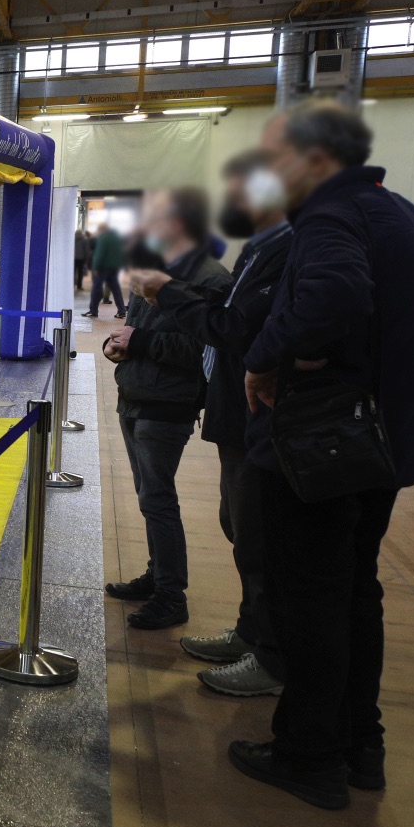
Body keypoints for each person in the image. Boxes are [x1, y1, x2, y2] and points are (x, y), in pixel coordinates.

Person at [231, 99, 414, 810]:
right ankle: (361, 744)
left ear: (314, 157)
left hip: (324, 452)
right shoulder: (405, 215)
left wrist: (265, 358)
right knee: (356, 594)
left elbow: (334, 294)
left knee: (312, 602)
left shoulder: (331, 217)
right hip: (382, 446)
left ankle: (309, 755)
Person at [126, 153, 293, 697]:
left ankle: (248, 640)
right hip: (184, 404)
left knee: (247, 533)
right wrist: (125, 343)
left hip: (181, 405)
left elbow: (214, 338)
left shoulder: (216, 274)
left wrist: (145, 337)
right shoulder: (246, 257)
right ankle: (248, 631)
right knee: (229, 523)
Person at [102, 188, 230, 631]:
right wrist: (116, 345)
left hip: (167, 405)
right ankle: (157, 575)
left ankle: (172, 595)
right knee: (148, 497)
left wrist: (137, 342)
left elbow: (204, 349)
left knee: (158, 500)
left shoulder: (211, 280)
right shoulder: (154, 269)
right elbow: (133, 327)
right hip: (135, 395)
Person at [86, 224, 127, 318]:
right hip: (114, 267)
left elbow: (99, 253)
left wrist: (96, 267)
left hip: (102, 267)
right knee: (116, 289)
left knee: (96, 288)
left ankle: (93, 310)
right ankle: (121, 310)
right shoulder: (117, 238)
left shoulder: (103, 238)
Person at [75, 227, 94, 294]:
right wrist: (87, 259)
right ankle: (79, 285)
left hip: (73, 259)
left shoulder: (72, 239)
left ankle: (72, 284)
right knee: (80, 272)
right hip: (81, 258)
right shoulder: (84, 240)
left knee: (73, 272)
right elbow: (86, 251)